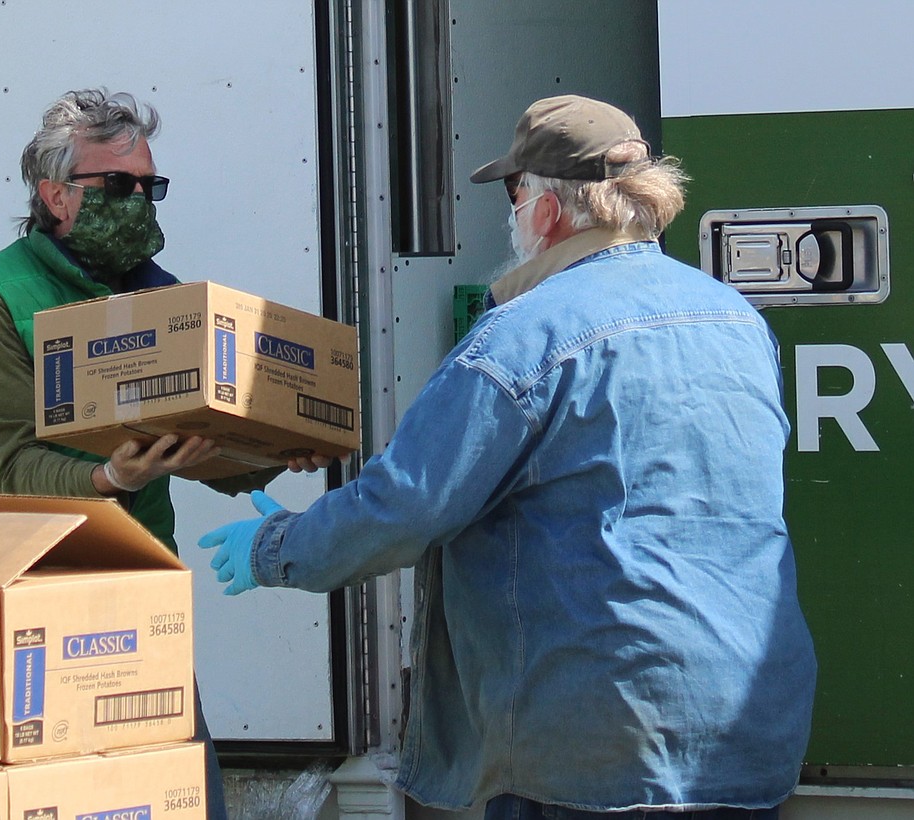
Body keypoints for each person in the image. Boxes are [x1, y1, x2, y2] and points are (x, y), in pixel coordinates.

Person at [198, 95, 818, 819]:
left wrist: (277, 547)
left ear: (547, 210)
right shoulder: (735, 319)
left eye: (513, 192)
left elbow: (406, 503)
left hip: (594, 741)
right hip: (747, 726)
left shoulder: (525, 336)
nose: (511, 214)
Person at [0, 87, 270, 820]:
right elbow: (9, 469)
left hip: (139, 598)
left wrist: (276, 450)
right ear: (55, 195)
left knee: (179, 801)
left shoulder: (161, 300)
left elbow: (198, 446)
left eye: (150, 186)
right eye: (116, 185)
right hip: (29, 608)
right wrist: (110, 476)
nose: (139, 200)